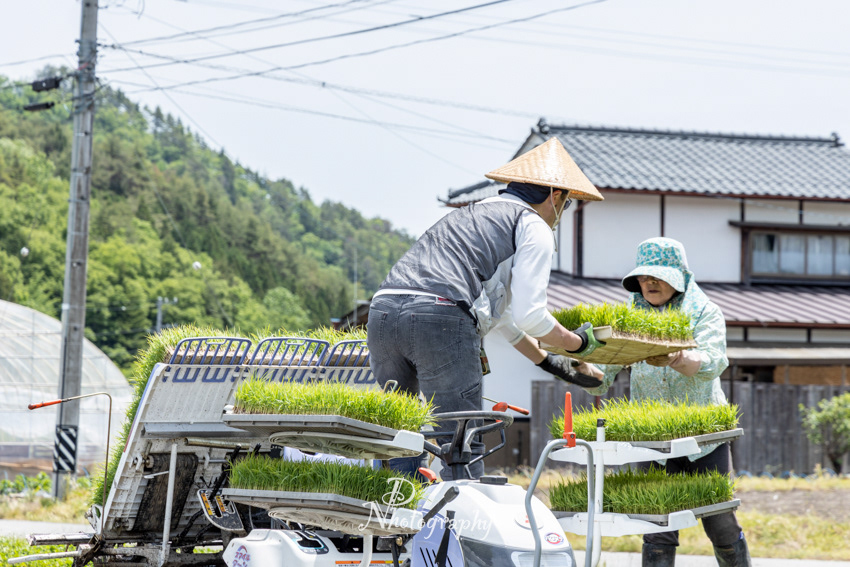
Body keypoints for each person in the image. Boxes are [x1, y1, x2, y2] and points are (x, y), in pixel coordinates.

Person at [367, 138, 606, 479]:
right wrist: (578, 343)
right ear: (555, 196)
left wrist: (553, 364)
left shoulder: (472, 213)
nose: (561, 214)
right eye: (566, 205)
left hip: (383, 312)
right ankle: (460, 513)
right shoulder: (533, 225)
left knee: (399, 434)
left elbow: (505, 318)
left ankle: (392, 510)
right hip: (440, 317)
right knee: (460, 441)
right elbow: (531, 316)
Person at [578, 237, 751, 567]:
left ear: (680, 278)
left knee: (719, 521)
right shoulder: (628, 319)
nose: (649, 283)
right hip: (651, 443)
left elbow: (713, 361)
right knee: (656, 525)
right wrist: (574, 362)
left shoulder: (704, 312)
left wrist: (677, 357)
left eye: (658, 276)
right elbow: (601, 376)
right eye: (643, 277)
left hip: (704, 440)